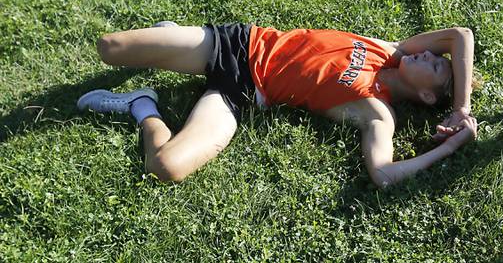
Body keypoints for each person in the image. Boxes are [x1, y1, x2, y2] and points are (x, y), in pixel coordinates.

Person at [78, 22, 478, 187]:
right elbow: (460, 35)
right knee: (109, 48)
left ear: (426, 96)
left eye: (437, 68)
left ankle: (142, 106)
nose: (429, 55)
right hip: (238, 43)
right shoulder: (391, 49)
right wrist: (462, 107)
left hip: (242, 93)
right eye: (432, 54)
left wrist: (450, 145)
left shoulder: (376, 111)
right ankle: (174, 38)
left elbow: (385, 174)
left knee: (167, 167)